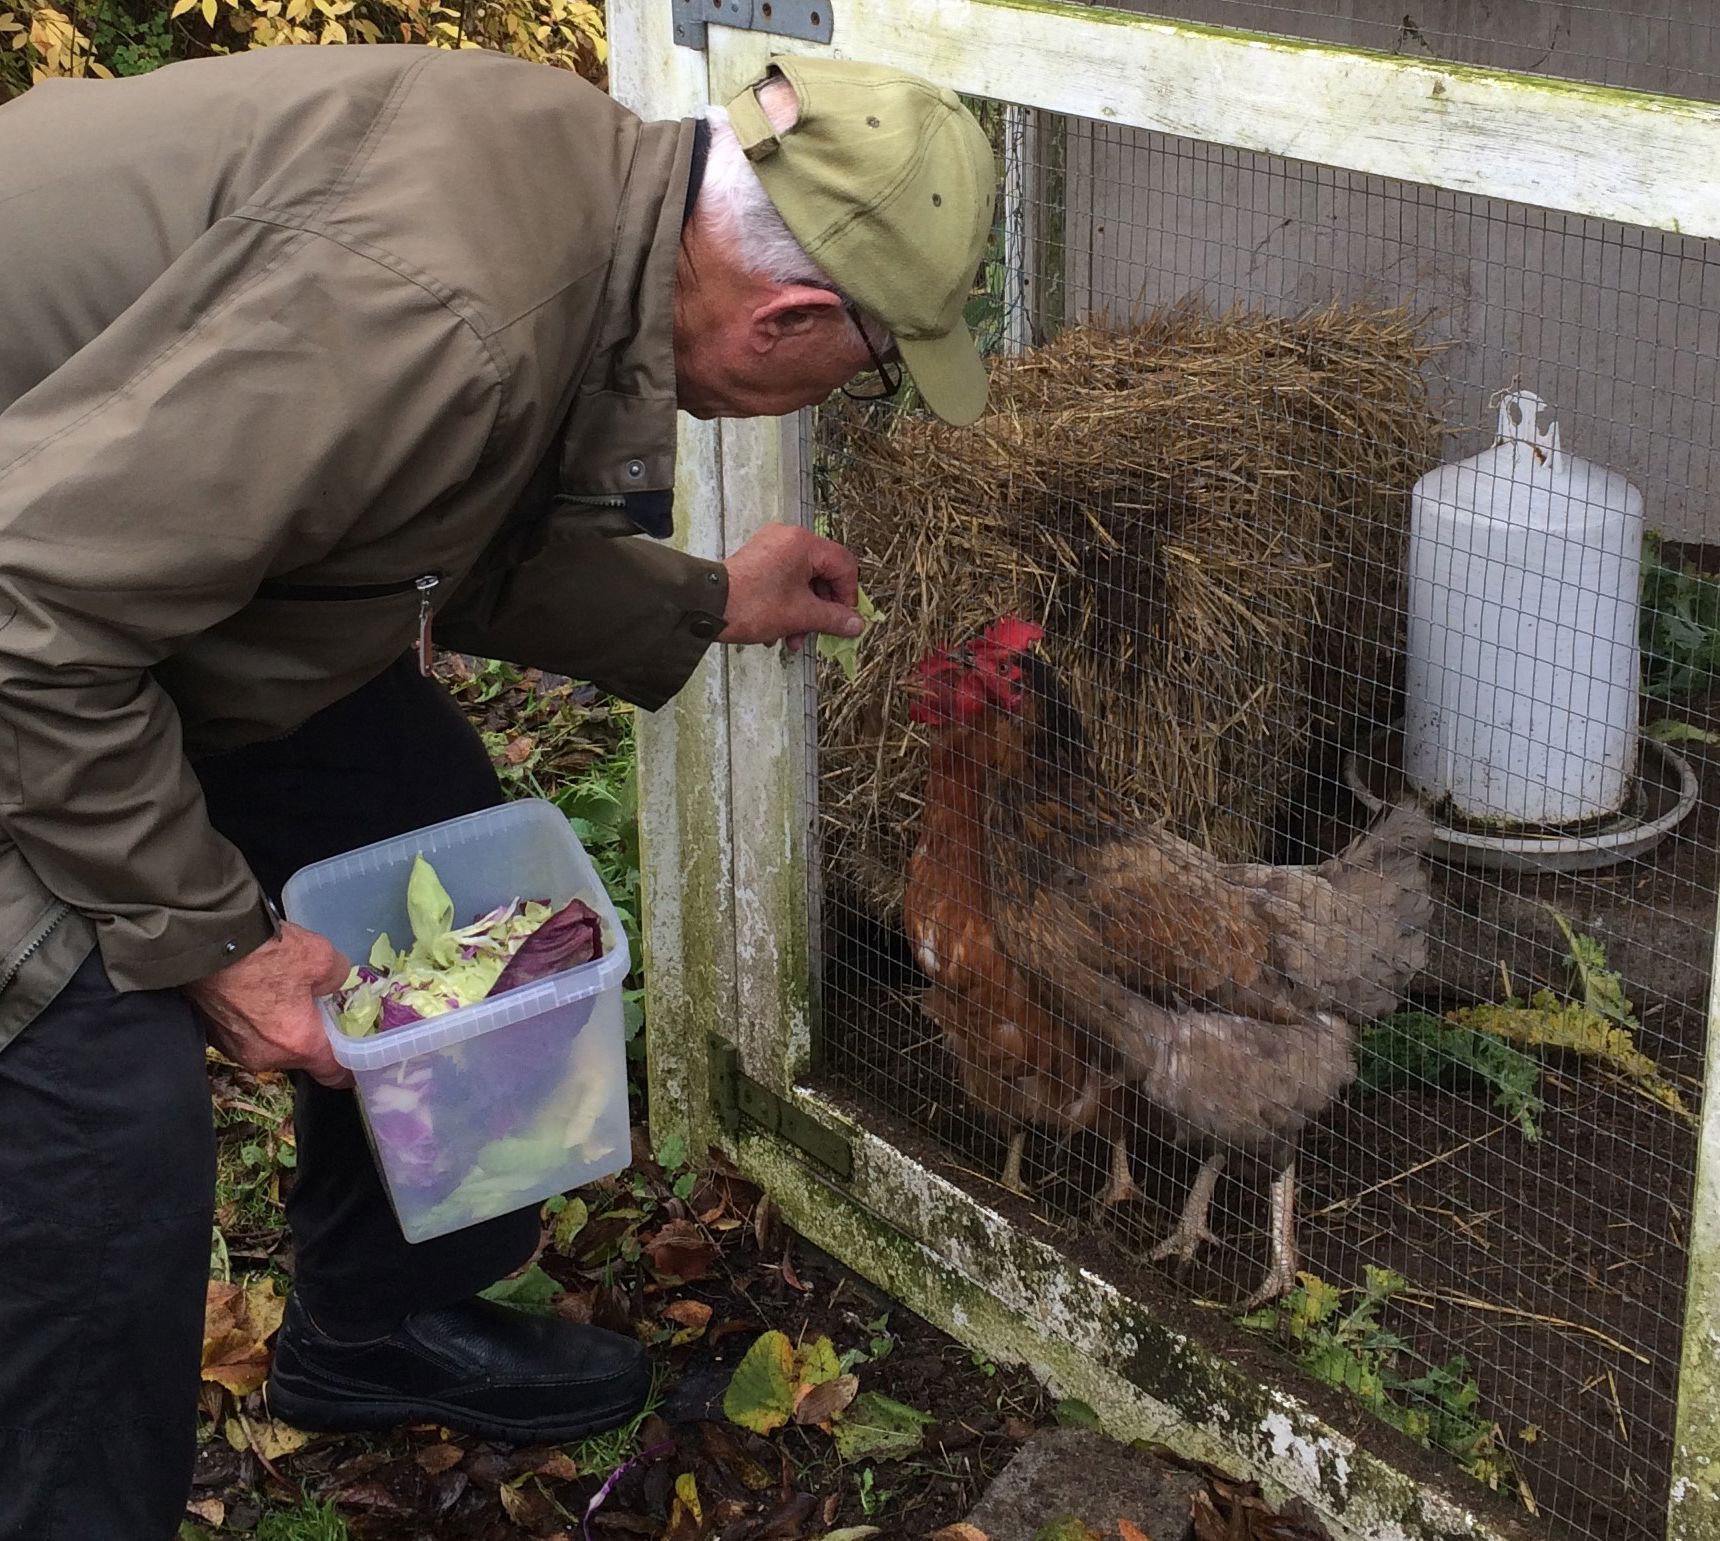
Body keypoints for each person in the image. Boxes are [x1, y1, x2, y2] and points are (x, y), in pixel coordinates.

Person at [0, 43, 995, 1540]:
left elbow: (416, 512)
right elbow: (34, 614)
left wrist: (702, 598)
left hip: (90, 562)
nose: (841, 400)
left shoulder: (585, 195)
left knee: (434, 841)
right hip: (35, 608)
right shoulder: (440, 310)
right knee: (103, 1106)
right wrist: (220, 944)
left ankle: (374, 1322)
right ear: (789, 314)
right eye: (863, 370)